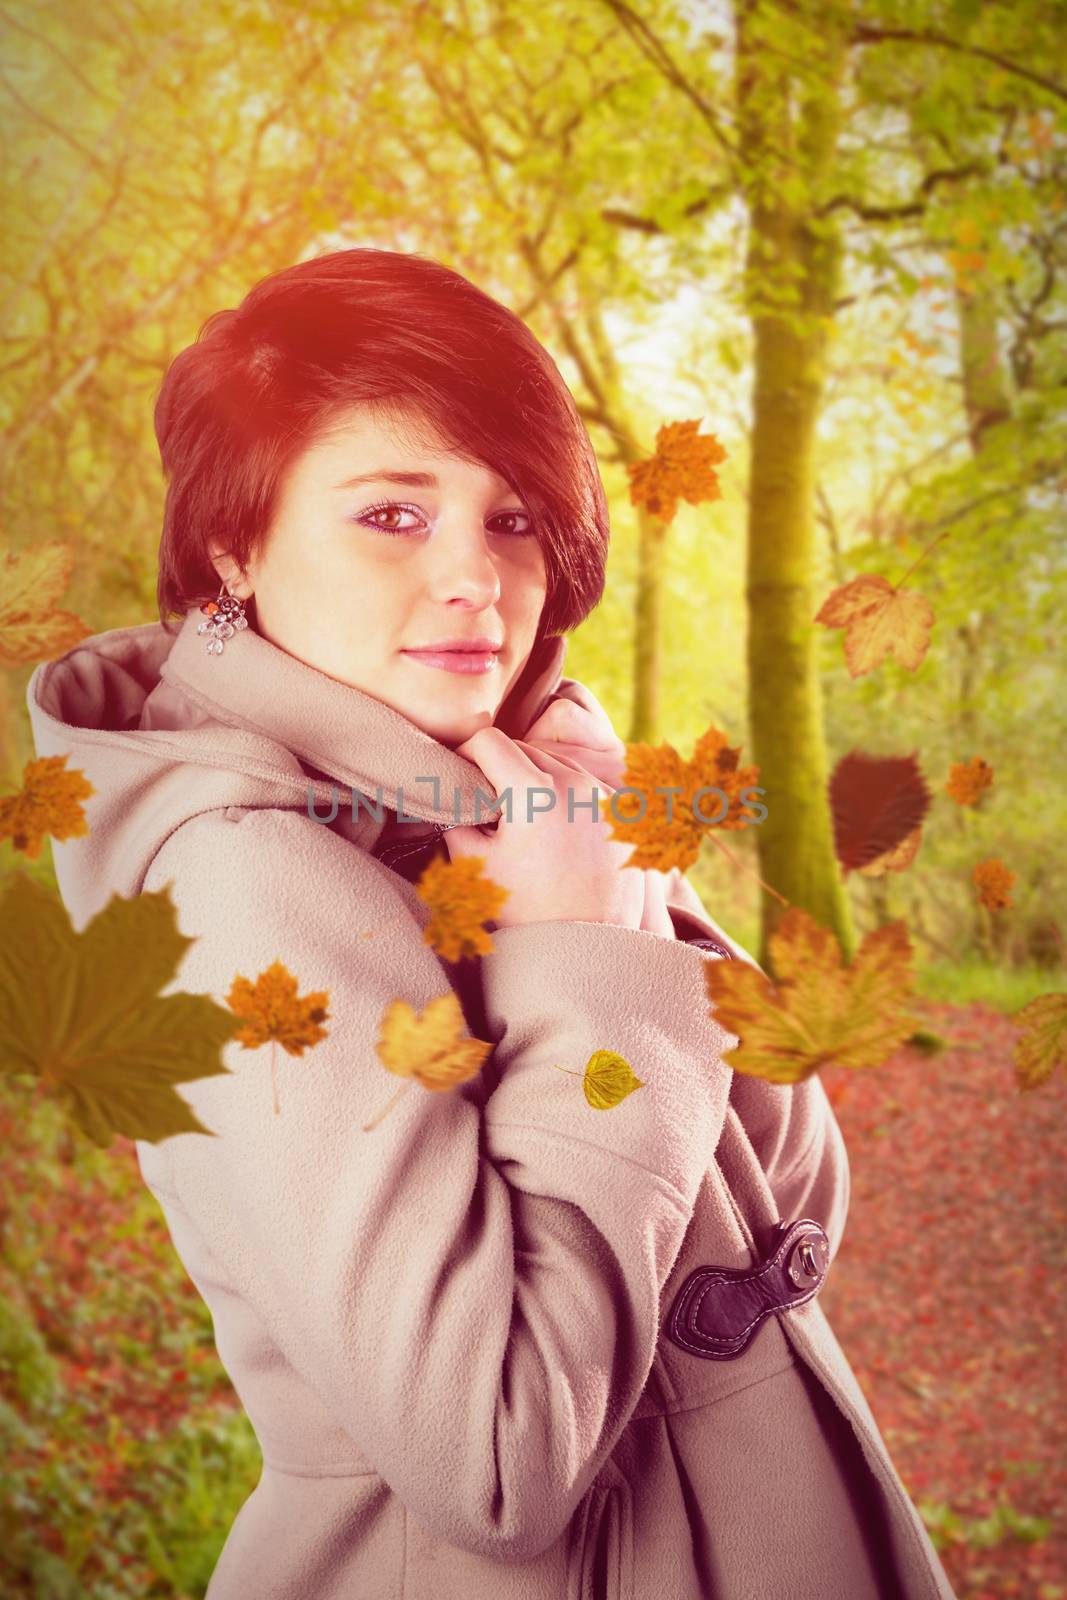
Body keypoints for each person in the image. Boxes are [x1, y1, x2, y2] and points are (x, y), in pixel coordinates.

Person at [26, 246, 957, 1599]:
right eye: (393, 516)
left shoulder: (503, 800)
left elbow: (793, 1217)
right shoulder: (239, 884)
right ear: (236, 542)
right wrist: (583, 959)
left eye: (513, 517)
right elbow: (497, 1458)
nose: (476, 576)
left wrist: (610, 880)